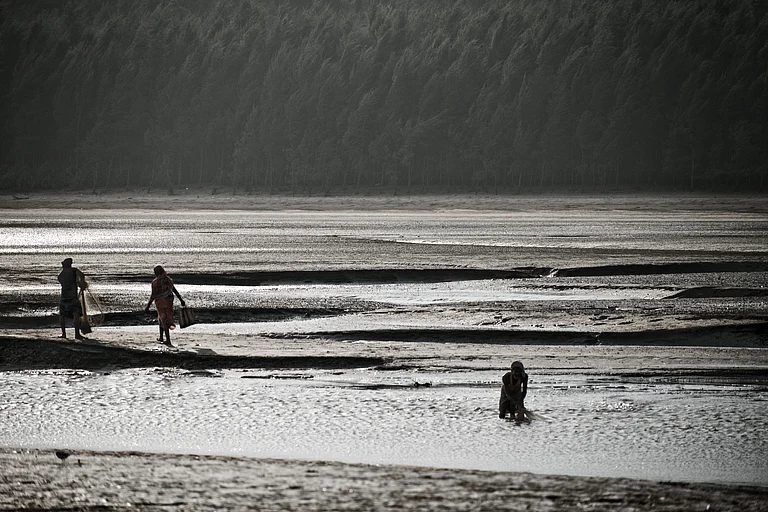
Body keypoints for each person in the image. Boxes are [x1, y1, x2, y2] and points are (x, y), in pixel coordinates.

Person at [144, 265, 185, 346]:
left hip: (160, 303)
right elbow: (174, 290)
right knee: (162, 319)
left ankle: (168, 340)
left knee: (163, 319)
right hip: (168, 302)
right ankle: (161, 337)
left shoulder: (155, 282)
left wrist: (148, 306)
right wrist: (181, 300)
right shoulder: (168, 280)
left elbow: (153, 295)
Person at [58, 258, 87, 340]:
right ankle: (77, 334)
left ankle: (63, 334)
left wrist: (79, 283)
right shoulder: (74, 270)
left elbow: (62, 282)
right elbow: (82, 275)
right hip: (73, 297)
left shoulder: (61, 275)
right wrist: (82, 283)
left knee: (62, 315)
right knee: (76, 314)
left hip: (64, 297)